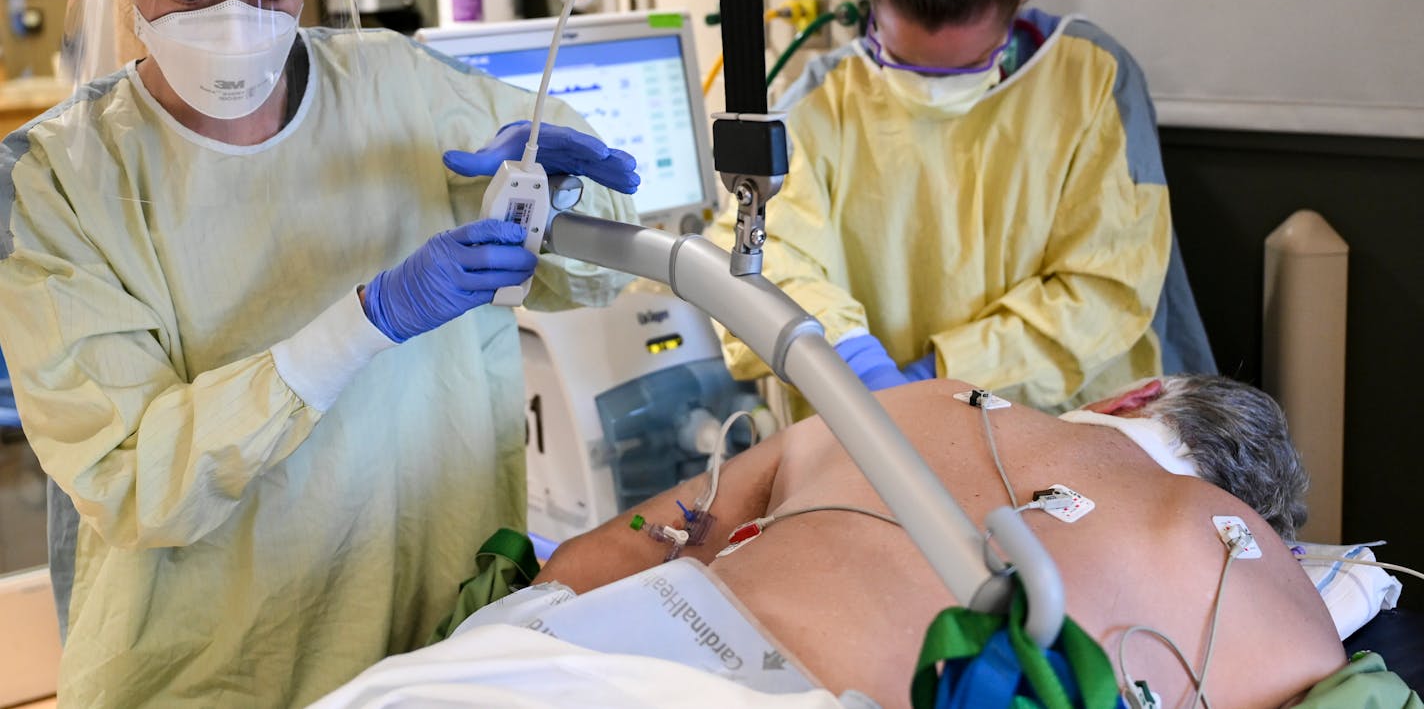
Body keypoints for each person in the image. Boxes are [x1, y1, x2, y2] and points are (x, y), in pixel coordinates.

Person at [0, 0, 639, 708]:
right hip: (202, 667)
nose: (236, 25)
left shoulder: (403, 90)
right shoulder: (54, 184)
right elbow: (134, 477)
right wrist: (364, 323)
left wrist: (565, 199)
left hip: (430, 644)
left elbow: (599, 273)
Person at [314, 375, 1370, 709]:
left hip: (540, 666)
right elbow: (1328, 675)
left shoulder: (912, 404)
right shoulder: (1230, 550)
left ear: (1130, 392)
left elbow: (600, 556)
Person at [711, 0, 1215, 413]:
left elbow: (1107, 285)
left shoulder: (1090, 78)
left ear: (1018, 2)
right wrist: (853, 359)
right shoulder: (821, 101)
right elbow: (766, 254)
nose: (932, 91)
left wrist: (940, 376)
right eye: (904, 63)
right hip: (873, 415)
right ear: (872, 8)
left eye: (970, 65)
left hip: (1060, 418)